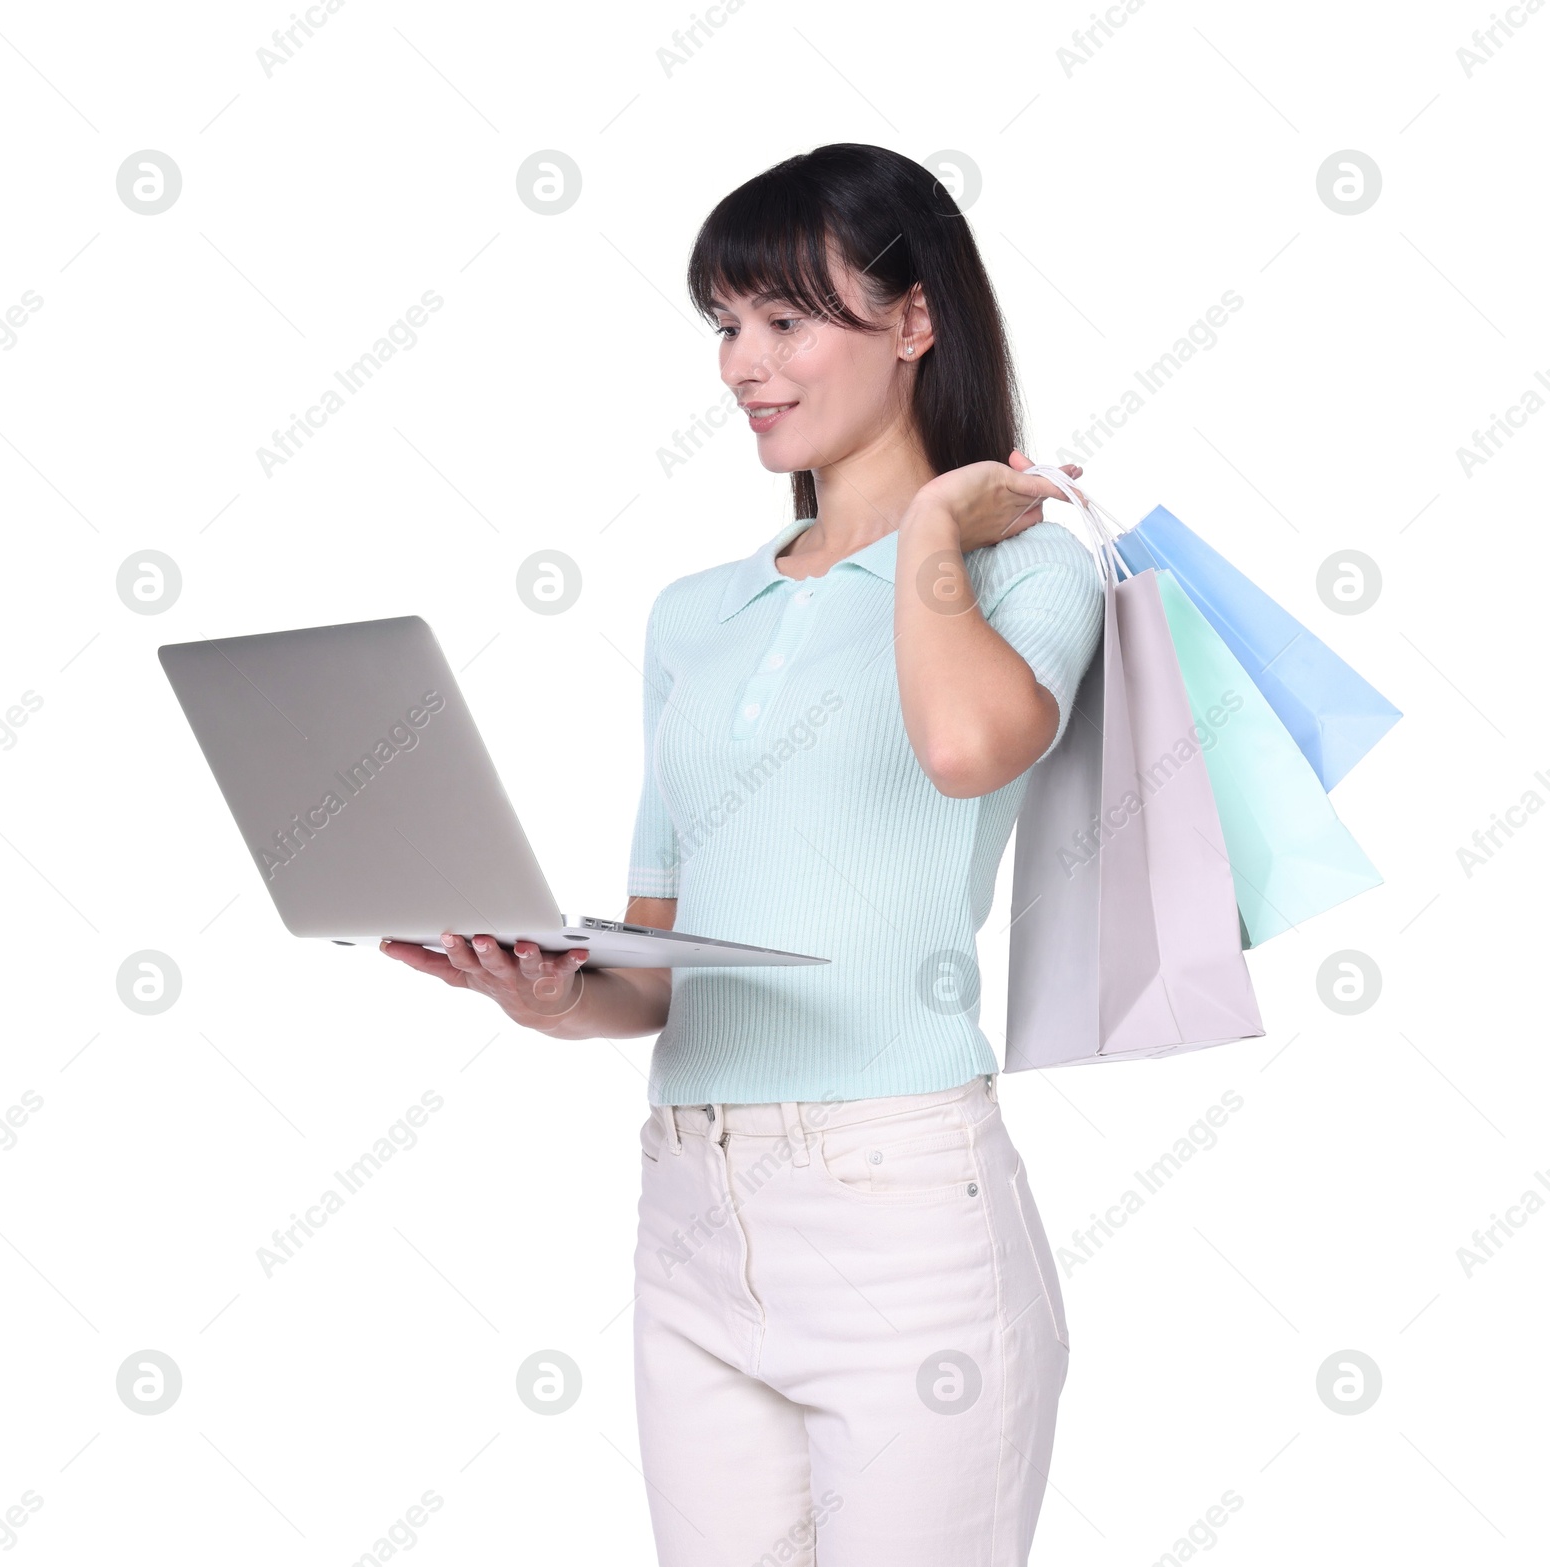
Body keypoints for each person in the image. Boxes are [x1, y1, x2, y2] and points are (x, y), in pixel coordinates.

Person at [382, 142, 1105, 1567]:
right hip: (691, 1212)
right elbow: (652, 966)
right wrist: (541, 990)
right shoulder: (691, 617)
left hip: (902, 1216)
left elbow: (968, 749)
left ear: (915, 321)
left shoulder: (1030, 570)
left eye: (784, 320)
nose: (741, 365)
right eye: (725, 324)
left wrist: (932, 530)